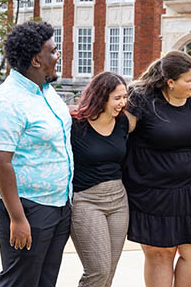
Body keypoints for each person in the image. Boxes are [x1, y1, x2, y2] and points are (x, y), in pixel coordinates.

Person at [0, 21, 72, 287]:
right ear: (35, 59)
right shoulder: (6, 101)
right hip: (26, 206)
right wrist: (18, 219)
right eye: (53, 51)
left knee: (45, 280)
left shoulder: (46, 91)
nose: (58, 56)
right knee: (20, 280)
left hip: (57, 202)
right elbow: (0, 161)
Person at [122, 51, 191, 287]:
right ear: (170, 82)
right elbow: (119, 134)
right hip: (153, 192)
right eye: (189, 79)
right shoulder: (142, 98)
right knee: (160, 254)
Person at [70, 71, 129, 287]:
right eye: (117, 98)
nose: (123, 103)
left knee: (109, 273)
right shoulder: (76, 125)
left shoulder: (122, 123)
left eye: (125, 97)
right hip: (87, 201)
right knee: (98, 271)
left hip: (118, 202)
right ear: (101, 97)